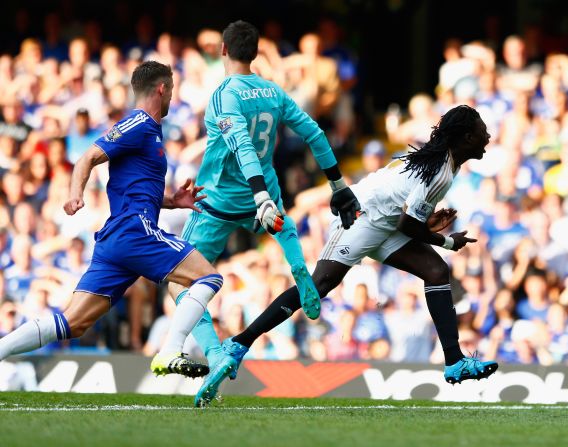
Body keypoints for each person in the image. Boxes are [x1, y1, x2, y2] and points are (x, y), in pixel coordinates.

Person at [195, 104, 499, 406]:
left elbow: (407, 215)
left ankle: (454, 361)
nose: (487, 136)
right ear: (466, 137)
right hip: (360, 216)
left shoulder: (446, 163)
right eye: (481, 131)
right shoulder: (440, 168)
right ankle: (237, 345)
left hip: (385, 221)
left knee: (435, 271)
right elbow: (408, 224)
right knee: (318, 286)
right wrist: (446, 241)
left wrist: (428, 225)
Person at [173, 20, 360, 403]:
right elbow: (315, 134)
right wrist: (338, 185)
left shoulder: (224, 94)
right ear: (255, 53)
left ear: (223, 50)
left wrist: (257, 195)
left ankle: (216, 352)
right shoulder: (273, 90)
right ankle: (297, 265)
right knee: (283, 226)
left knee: (179, 282)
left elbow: (241, 144)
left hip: (221, 200)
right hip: (267, 195)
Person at [0, 61, 222, 380]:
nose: (173, 96)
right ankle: (171, 349)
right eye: (171, 89)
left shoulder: (149, 132)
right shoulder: (139, 123)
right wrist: (76, 194)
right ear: (161, 88)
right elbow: (88, 156)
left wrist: (172, 201)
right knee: (208, 278)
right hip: (134, 231)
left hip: (119, 239)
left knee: (72, 322)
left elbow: (134, 188)